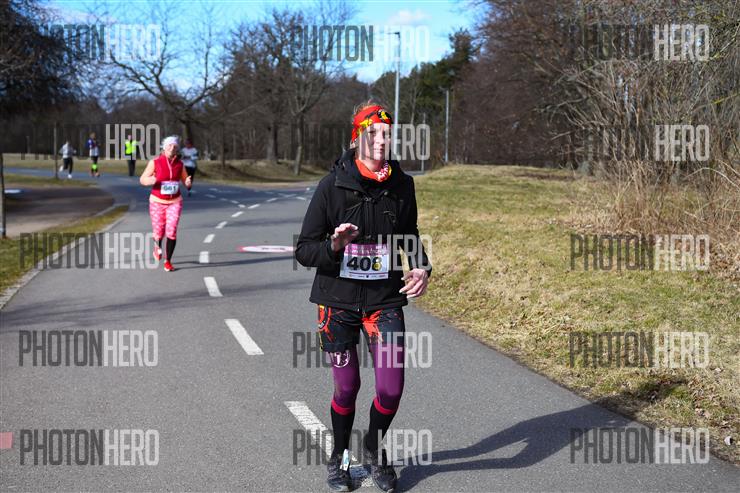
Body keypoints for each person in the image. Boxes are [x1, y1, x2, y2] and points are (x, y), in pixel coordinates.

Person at [295, 101, 431, 492]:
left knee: (391, 388)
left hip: (383, 300)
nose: (382, 140)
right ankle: (339, 457)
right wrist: (334, 246)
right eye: (374, 134)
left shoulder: (402, 185)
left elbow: (409, 234)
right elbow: (304, 249)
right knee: (347, 387)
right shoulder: (332, 185)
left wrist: (421, 266)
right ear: (357, 138)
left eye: (388, 134)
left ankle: (373, 448)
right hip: (337, 301)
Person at [139, 135, 192, 272]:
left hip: (175, 202)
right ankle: (157, 247)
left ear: (177, 149)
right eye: (169, 145)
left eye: (175, 146)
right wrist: (150, 180)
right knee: (158, 231)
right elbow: (142, 179)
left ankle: (168, 261)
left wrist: (187, 183)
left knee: (172, 230)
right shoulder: (155, 162)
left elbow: (185, 180)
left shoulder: (180, 164)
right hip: (157, 202)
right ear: (164, 147)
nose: (172, 148)